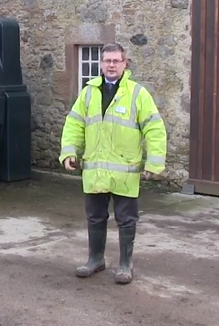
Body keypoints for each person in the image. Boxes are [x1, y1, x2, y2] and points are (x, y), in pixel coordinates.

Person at [59, 42, 167, 285]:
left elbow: (155, 129)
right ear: (101, 63)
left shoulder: (137, 94)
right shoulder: (88, 92)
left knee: (126, 219)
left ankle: (125, 265)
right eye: (107, 60)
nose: (111, 65)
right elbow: (74, 124)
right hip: (95, 170)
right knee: (95, 217)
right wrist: (68, 152)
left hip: (124, 173)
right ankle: (95, 259)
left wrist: (154, 162)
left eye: (116, 61)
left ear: (124, 63)